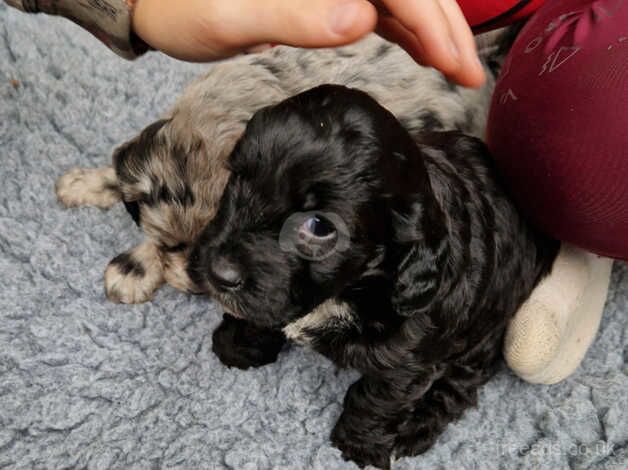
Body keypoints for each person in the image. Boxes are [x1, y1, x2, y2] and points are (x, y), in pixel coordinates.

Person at [4, 0, 620, 384]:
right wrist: (133, 8)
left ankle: (573, 254)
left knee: (578, 152)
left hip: (537, 55)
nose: (209, 263)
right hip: (410, 26)